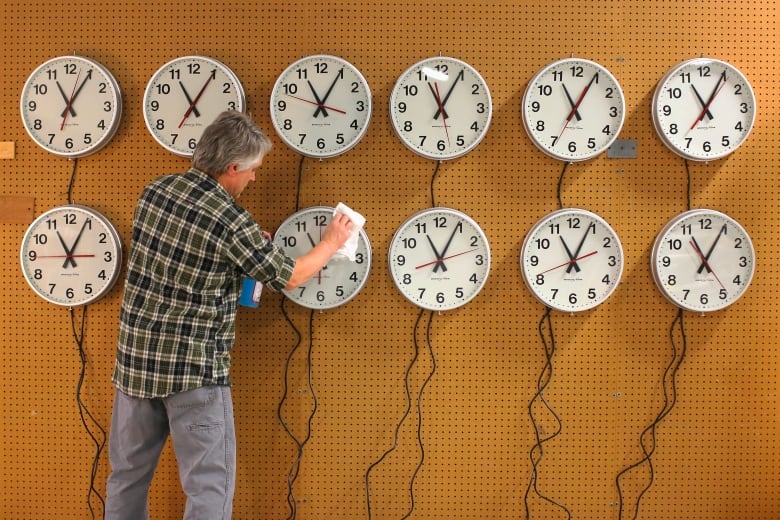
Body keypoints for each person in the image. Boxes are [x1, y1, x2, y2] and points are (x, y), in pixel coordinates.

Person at [104, 110, 352, 519]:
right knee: (208, 488)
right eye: (253, 170)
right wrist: (330, 242)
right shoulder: (231, 220)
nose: (254, 178)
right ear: (232, 167)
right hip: (193, 374)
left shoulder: (156, 191)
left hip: (135, 366)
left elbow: (182, 255)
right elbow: (288, 276)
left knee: (127, 476)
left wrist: (247, 248)